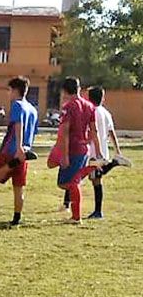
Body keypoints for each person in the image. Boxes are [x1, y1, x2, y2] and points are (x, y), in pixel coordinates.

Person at [58, 86, 132, 218]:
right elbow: (112, 133)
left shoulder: (91, 111)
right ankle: (68, 204)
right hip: (102, 150)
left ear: (88, 98)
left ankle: (94, 210)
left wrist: (85, 141)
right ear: (102, 98)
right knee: (81, 177)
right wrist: (117, 150)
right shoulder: (106, 113)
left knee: (81, 177)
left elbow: (92, 131)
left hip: (91, 152)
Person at [0, 76, 38, 228]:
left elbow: (18, 124)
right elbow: (34, 132)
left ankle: (12, 164)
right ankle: (17, 218)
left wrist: (18, 148)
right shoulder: (33, 109)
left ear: (16, 90)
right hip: (26, 152)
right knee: (19, 187)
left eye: (9, 90)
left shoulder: (17, 105)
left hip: (12, 151)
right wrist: (26, 148)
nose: (8, 93)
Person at [53, 77, 102, 224]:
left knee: (69, 183)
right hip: (84, 149)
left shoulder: (68, 107)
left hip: (73, 149)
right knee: (69, 182)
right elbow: (94, 130)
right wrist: (97, 151)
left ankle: (76, 217)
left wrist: (65, 154)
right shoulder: (89, 106)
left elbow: (65, 132)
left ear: (64, 91)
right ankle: (88, 169)